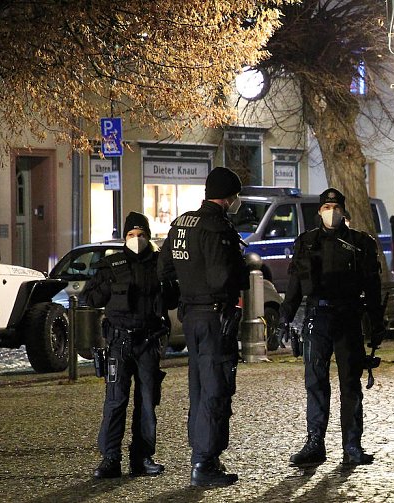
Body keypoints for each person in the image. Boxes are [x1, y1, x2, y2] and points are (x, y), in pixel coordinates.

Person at [280, 188, 386, 467]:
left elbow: (373, 288)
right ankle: (315, 443)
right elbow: (295, 285)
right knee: (315, 382)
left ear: (344, 209)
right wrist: (284, 317)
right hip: (318, 316)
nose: (331, 211)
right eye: (327, 206)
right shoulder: (307, 242)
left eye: (336, 206)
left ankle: (352, 445)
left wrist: (377, 323)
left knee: (350, 383)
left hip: (349, 316)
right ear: (319, 210)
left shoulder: (361, 243)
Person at [157, 166, 249, 488]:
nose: (236, 201)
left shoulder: (182, 224)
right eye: (235, 196)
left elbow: (164, 268)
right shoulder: (217, 228)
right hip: (214, 318)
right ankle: (205, 462)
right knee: (216, 388)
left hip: (190, 316)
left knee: (198, 388)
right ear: (227, 198)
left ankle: (201, 453)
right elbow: (223, 276)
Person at [85, 212, 178, 479]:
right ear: (124, 237)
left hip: (149, 341)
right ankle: (110, 458)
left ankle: (143, 457)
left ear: (148, 236)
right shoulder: (111, 265)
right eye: (131, 235)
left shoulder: (161, 264)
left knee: (147, 401)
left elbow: (172, 299)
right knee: (115, 401)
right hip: (118, 342)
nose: (136, 239)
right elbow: (89, 297)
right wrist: (113, 287)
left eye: (140, 234)